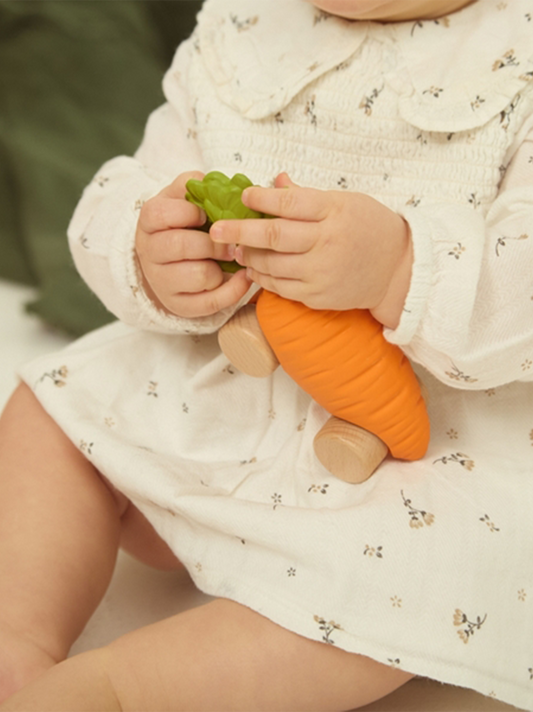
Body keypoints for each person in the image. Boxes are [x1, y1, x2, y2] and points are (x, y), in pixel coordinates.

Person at [1, 0, 532, 709]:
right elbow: (137, 180)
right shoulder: (244, 23)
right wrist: (149, 248)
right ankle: (16, 638)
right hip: (224, 389)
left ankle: (123, 691)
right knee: (50, 418)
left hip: (417, 446)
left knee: (433, 572)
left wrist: (400, 266)